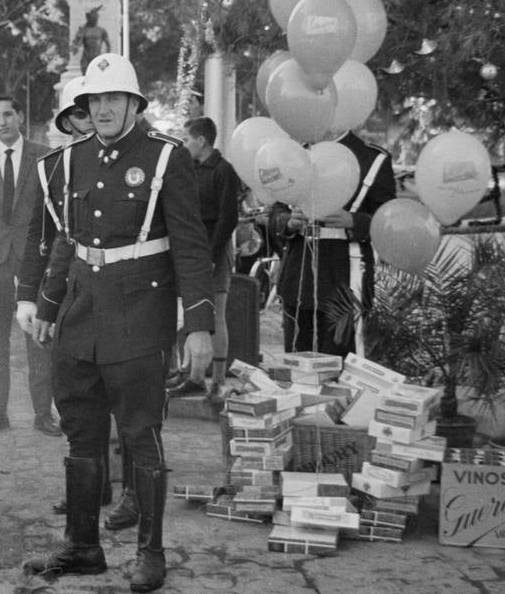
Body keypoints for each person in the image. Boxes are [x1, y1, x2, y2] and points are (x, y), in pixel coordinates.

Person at [15, 53, 216, 594]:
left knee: (140, 435)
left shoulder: (165, 159)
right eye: (94, 101)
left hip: (140, 315)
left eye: (112, 99)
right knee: (81, 434)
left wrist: (198, 325)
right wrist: (44, 306)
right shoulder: (68, 162)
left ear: (133, 104)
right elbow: (65, 242)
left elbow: (192, 250)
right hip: (80, 315)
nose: (102, 109)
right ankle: (83, 546)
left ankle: (151, 553)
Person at [0, 94, 58, 438]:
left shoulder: (45, 156)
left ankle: (42, 414)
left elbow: (51, 214)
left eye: (8, 114)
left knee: (38, 338)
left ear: (20, 116)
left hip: (34, 261)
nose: (2, 122)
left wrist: (49, 261)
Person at [271, 129, 396, 355]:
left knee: (341, 360)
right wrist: (288, 222)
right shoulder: (296, 153)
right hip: (299, 271)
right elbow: (277, 211)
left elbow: (388, 218)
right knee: (298, 362)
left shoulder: (372, 158)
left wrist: (354, 220)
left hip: (344, 272)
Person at [167, 117, 241, 402]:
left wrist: (210, 254)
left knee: (215, 314)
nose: (184, 145)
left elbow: (228, 218)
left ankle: (217, 380)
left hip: (214, 248)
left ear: (201, 140)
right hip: (190, 248)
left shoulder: (224, 170)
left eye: (186, 139)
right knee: (187, 312)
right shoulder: (189, 169)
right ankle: (190, 373)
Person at [72, 7, 112, 74]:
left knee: (98, 78)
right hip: (86, 58)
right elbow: (77, 45)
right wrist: (79, 35)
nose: (95, 19)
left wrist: (105, 59)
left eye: (96, 17)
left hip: (98, 58)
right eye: (94, 18)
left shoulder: (101, 30)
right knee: (86, 77)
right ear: (90, 18)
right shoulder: (84, 30)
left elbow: (108, 46)